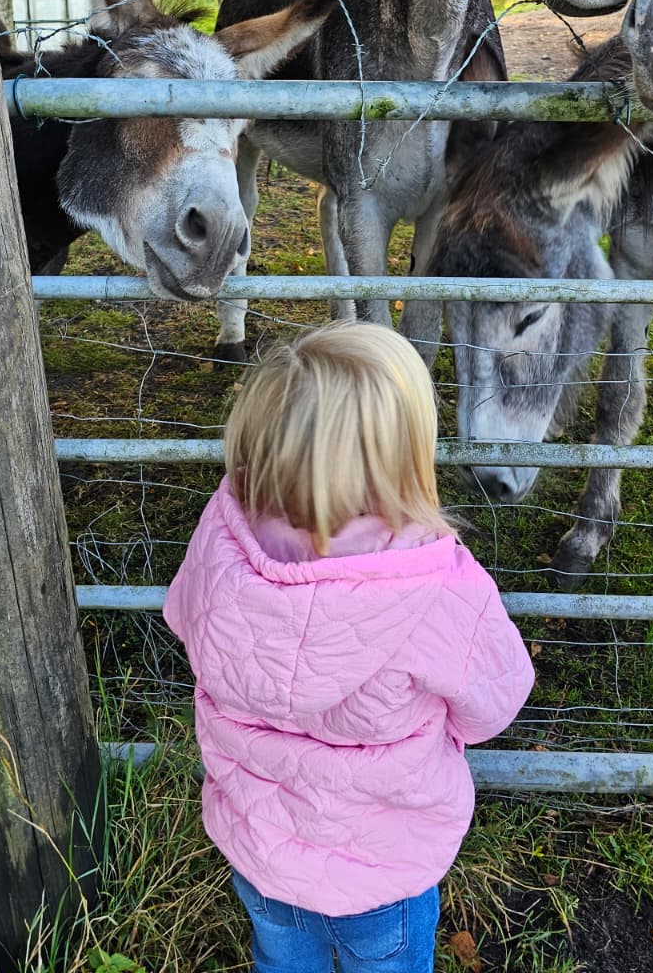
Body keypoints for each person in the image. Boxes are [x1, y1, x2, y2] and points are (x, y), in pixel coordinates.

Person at [164, 321, 534, 973]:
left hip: (262, 851)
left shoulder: (221, 540)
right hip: (384, 869)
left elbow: (184, 619)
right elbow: (494, 704)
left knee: (282, 962)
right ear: (406, 458)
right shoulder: (439, 584)